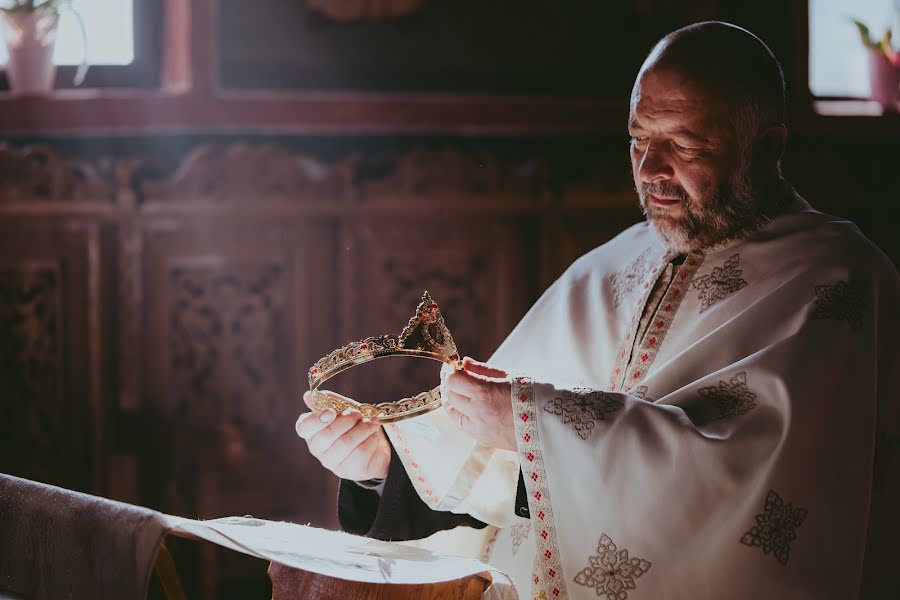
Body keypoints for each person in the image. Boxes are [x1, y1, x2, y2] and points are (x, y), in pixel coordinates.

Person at [295, 21, 900, 599]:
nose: (650, 171)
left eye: (685, 145)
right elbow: (515, 460)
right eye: (639, 140)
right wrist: (390, 461)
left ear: (766, 146)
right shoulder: (611, 265)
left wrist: (530, 422)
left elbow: (751, 489)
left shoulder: (837, 282)